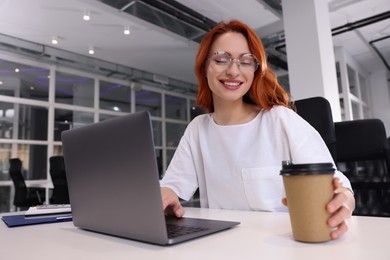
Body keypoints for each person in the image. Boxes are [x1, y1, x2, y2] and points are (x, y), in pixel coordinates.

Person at [160, 20, 355, 240]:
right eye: (221, 59)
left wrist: (344, 198)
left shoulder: (280, 119)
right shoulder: (198, 129)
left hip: (283, 246)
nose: (233, 71)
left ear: (255, 70)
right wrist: (165, 195)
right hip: (219, 245)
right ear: (204, 67)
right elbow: (172, 186)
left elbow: (336, 183)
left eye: (245, 61)